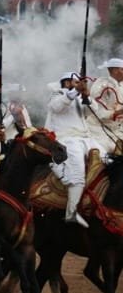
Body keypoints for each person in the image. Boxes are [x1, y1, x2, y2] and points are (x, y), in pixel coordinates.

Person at [45, 71, 106, 228]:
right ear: (67, 83)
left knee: (109, 160)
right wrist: (75, 92)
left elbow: (94, 111)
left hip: (86, 139)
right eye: (76, 82)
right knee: (77, 175)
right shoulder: (57, 94)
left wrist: (86, 96)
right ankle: (71, 213)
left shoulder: (78, 96)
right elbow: (57, 107)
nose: (80, 84)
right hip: (66, 140)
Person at [87, 57, 123, 154]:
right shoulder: (101, 85)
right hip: (100, 129)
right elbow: (97, 112)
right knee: (105, 152)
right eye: (122, 69)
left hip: (118, 128)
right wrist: (118, 112)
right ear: (115, 70)